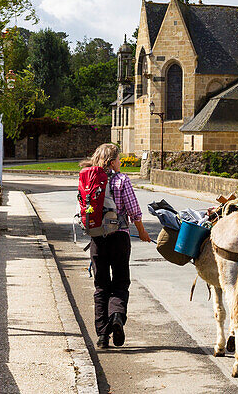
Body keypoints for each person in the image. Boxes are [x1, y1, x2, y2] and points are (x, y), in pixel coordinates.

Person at [81, 143, 152, 349]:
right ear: (113, 162)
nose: (120, 163)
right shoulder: (122, 180)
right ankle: (117, 317)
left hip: (97, 238)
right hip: (119, 236)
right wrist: (141, 231)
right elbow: (134, 210)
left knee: (101, 285)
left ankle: (102, 335)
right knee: (120, 281)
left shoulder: (88, 178)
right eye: (119, 159)